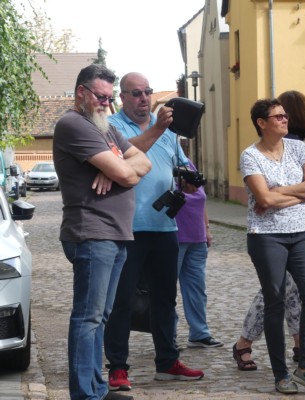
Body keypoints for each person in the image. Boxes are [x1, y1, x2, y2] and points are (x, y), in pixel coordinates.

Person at [53, 64, 151, 400]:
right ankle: (85, 394)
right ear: (81, 93)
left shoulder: (106, 128)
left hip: (115, 234)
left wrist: (118, 170)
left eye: (110, 99)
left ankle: (95, 386)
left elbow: (143, 163)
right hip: (91, 234)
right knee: (88, 317)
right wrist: (120, 170)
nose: (106, 104)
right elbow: (127, 172)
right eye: (100, 97)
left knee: (101, 317)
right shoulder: (72, 124)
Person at [103, 72, 204, 392]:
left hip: (164, 227)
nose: (144, 98)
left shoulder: (171, 135)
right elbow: (118, 158)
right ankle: (117, 367)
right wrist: (158, 128)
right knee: (121, 301)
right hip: (126, 228)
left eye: (147, 92)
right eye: (135, 93)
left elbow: (182, 166)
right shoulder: (112, 128)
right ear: (122, 98)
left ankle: (167, 362)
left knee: (165, 299)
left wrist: (188, 179)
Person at [239, 98, 305, 395]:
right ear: (262, 123)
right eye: (277, 116)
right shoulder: (250, 156)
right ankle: (281, 375)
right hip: (266, 236)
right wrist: (297, 194)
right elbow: (263, 200)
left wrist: (281, 191)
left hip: (303, 233)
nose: (284, 119)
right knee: (275, 301)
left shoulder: (300, 148)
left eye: (285, 115)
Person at [174, 157, 223, 348]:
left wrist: (207, 228)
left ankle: (199, 333)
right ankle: (168, 334)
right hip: (174, 237)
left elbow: (202, 201)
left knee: (197, 289)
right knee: (167, 290)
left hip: (196, 238)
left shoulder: (187, 164)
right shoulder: (159, 162)